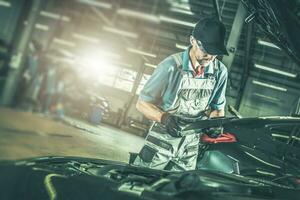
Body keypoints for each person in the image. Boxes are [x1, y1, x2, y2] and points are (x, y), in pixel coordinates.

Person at [133, 17, 229, 171]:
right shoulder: (170, 66)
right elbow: (142, 103)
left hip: (191, 144)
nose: (210, 57)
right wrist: (164, 118)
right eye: (206, 50)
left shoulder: (220, 72)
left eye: (215, 53)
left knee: (179, 189)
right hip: (163, 137)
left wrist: (216, 124)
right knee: (142, 180)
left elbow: (217, 108)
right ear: (193, 40)